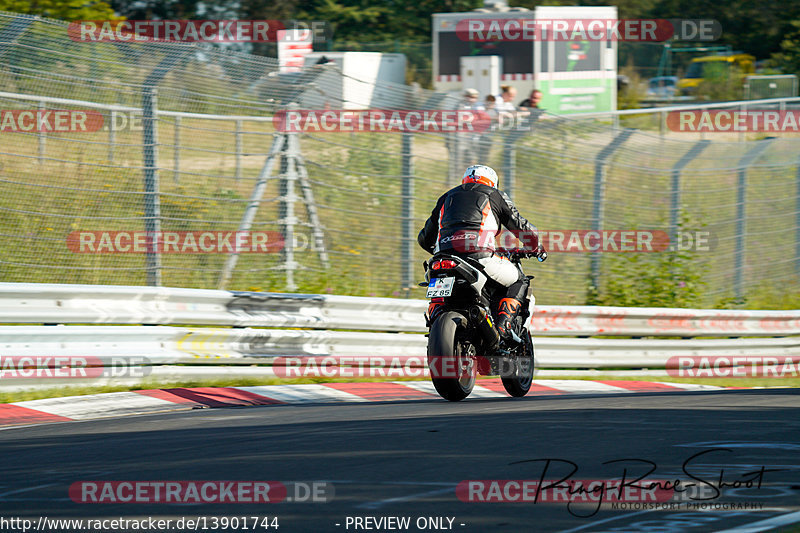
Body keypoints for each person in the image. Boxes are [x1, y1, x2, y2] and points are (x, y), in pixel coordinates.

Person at [417, 165, 545, 341]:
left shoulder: (446, 197)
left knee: (437, 287)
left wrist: (445, 248)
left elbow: (425, 238)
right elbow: (521, 227)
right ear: (492, 182)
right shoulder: (494, 194)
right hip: (479, 257)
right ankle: (504, 326)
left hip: (441, 259)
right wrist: (535, 246)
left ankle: (436, 316)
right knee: (520, 280)